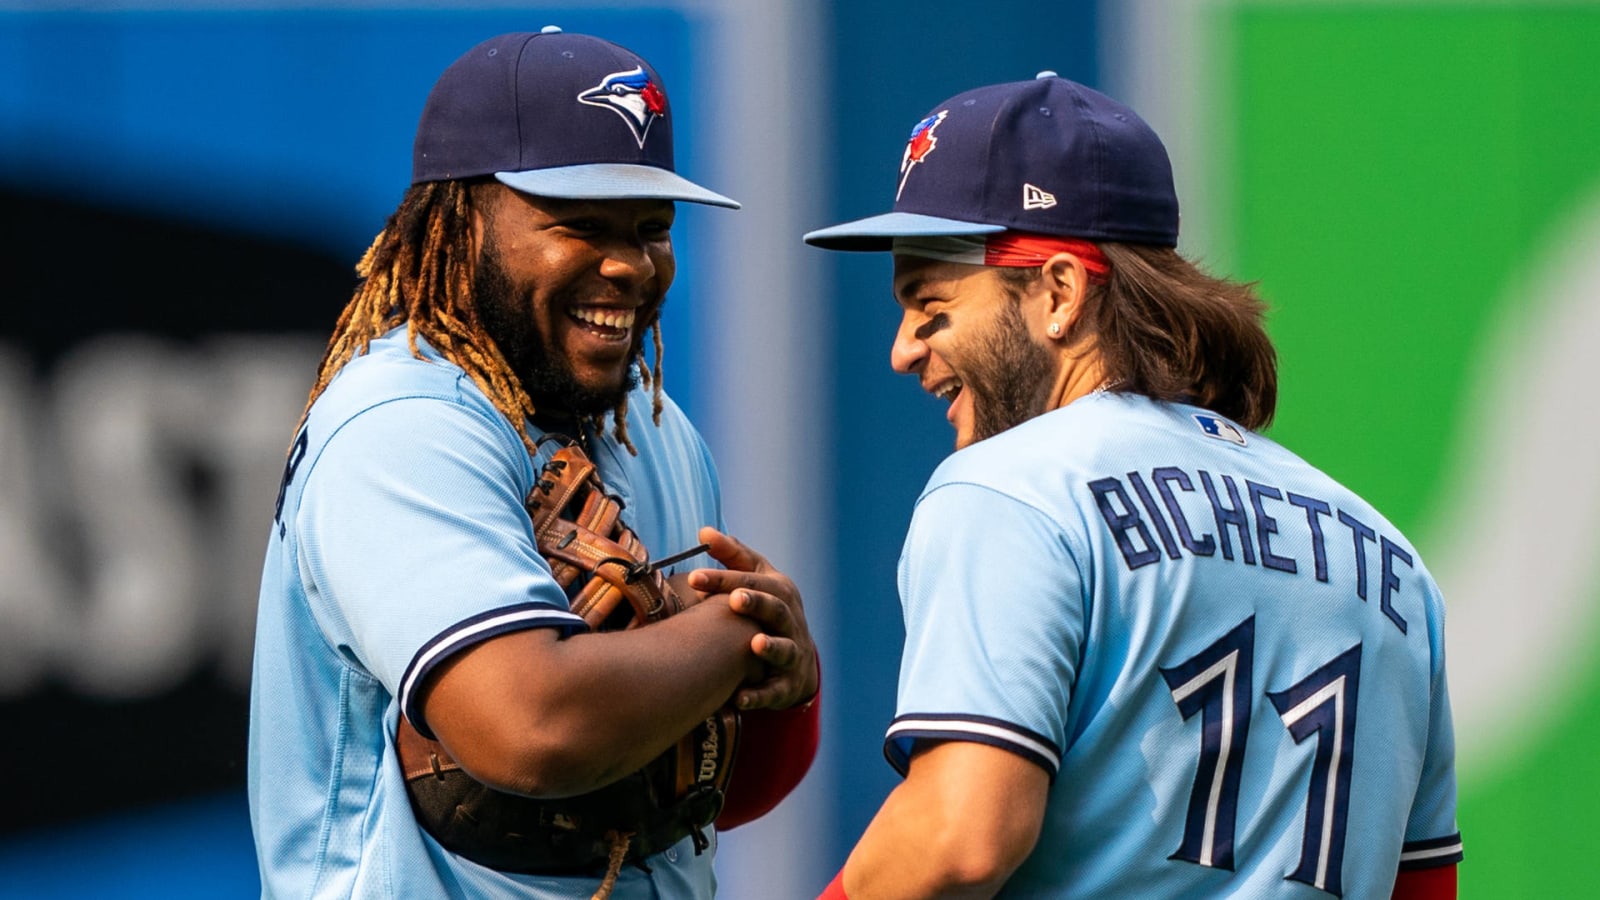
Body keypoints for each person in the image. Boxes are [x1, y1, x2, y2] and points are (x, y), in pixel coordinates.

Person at [803, 72, 1461, 899]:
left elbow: (957, 838)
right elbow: (1425, 889)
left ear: (1058, 292)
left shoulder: (1010, 489)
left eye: (929, 301)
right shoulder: (1390, 557)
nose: (904, 347)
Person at [248, 28, 819, 899]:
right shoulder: (403, 426)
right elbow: (534, 728)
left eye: (651, 228)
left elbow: (691, 799)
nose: (628, 264)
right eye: (580, 225)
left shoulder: (656, 431)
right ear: (459, 219)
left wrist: (776, 671)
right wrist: (731, 635)